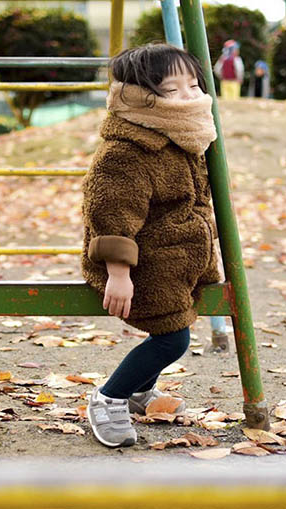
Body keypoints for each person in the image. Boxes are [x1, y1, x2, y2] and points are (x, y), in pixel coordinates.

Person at [81, 43, 221, 448]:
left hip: (175, 257)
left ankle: (142, 392)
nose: (191, 98)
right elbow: (110, 213)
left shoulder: (182, 135)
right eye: (173, 91)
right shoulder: (127, 152)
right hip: (136, 264)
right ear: (141, 99)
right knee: (172, 338)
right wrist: (119, 274)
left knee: (175, 324)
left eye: (194, 86)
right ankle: (109, 397)